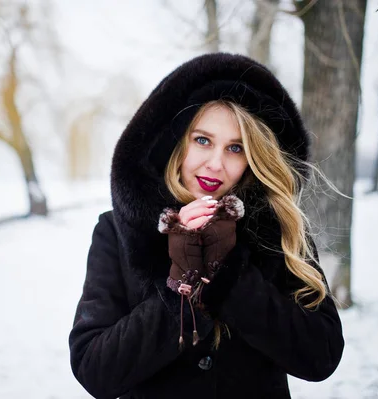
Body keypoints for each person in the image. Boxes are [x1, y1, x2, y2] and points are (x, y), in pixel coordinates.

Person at [68, 53, 344, 399]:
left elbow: (322, 355)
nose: (216, 164)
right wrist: (182, 280)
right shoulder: (118, 230)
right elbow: (95, 369)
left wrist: (232, 277)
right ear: (176, 142)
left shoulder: (280, 229)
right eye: (202, 140)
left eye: (235, 148)